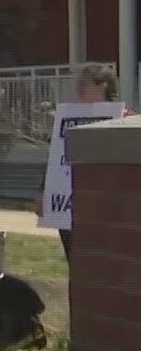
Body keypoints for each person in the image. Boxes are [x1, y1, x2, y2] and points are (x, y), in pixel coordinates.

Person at [57, 63, 125, 262]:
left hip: (104, 209)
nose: (78, 88)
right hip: (68, 209)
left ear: (103, 85)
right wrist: (43, 191)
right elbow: (57, 160)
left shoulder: (123, 119)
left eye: (84, 84)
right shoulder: (68, 119)